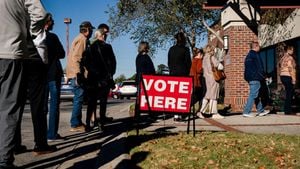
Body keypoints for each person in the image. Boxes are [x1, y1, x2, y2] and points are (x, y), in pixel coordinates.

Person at [0, 0, 48, 168]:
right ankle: (4, 160)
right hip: (11, 51)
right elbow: (40, 14)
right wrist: (31, 30)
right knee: (9, 108)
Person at [85, 27, 116, 131]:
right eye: (105, 35)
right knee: (103, 102)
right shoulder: (108, 47)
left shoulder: (90, 47)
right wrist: (110, 74)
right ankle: (102, 123)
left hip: (93, 78)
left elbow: (86, 63)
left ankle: (88, 123)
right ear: (102, 35)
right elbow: (113, 62)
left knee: (91, 102)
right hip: (104, 78)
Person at [66, 21, 95, 132]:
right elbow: (77, 58)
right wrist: (78, 74)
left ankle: (77, 122)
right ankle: (75, 123)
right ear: (87, 30)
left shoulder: (79, 38)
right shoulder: (82, 39)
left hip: (74, 73)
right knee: (79, 98)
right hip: (77, 74)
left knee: (78, 98)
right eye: (91, 29)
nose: (91, 32)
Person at [44, 13, 65, 141]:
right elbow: (62, 53)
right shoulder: (52, 37)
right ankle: (51, 134)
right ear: (47, 22)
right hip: (53, 73)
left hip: (40, 75)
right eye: (52, 21)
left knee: (41, 107)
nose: (54, 23)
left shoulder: (34, 37)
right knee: (54, 105)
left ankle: (40, 136)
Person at [168, 32, 191, 121]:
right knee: (182, 95)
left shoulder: (171, 49)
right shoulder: (185, 49)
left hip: (173, 74)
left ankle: (175, 114)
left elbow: (169, 62)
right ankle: (180, 114)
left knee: (174, 95)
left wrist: (171, 71)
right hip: (183, 74)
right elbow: (188, 63)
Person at [243, 41, 270, 117]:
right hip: (255, 77)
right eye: (259, 46)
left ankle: (260, 110)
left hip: (250, 77)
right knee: (253, 94)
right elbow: (260, 67)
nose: (260, 48)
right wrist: (264, 76)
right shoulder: (255, 55)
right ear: (256, 46)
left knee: (256, 94)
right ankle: (246, 111)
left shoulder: (248, 55)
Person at [197, 45, 224, 119]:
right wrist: (220, 62)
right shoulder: (212, 58)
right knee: (214, 96)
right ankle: (214, 113)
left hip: (206, 79)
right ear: (210, 50)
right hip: (213, 79)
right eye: (213, 50)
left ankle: (201, 111)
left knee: (207, 96)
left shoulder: (204, 59)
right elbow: (220, 66)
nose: (214, 51)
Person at [279, 45, 296, 114]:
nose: (293, 51)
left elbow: (280, 65)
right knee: (290, 93)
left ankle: (286, 109)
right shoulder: (290, 58)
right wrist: (294, 79)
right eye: (292, 50)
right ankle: (288, 111)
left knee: (288, 92)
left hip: (282, 76)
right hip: (288, 76)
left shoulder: (283, 58)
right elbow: (290, 68)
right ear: (289, 50)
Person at [189, 48, 204, 113]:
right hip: (197, 80)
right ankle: (188, 106)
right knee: (198, 96)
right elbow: (199, 70)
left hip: (192, 79)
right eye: (202, 54)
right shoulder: (199, 60)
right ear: (200, 54)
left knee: (194, 95)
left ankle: (187, 107)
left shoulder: (193, 60)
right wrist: (203, 69)